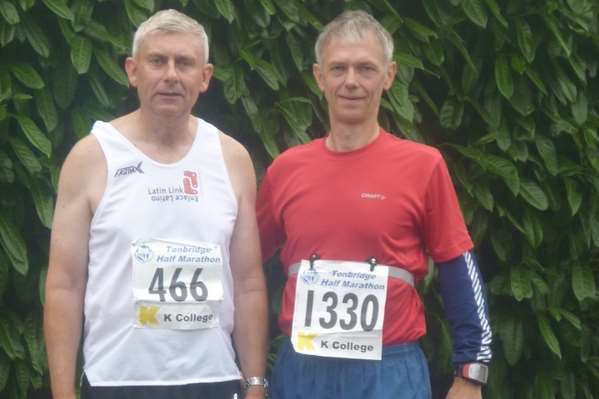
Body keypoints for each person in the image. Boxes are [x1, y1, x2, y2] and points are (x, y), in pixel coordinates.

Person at [257, 10, 492, 399]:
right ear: (319, 77)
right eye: (338, 68)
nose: (351, 81)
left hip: (389, 372)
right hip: (301, 371)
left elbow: (457, 268)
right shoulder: (286, 169)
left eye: (366, 69)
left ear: (389, 75)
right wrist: (249, 371)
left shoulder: (424, 165)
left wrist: (470, 374)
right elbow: (245, 270)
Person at [44, 9, 268, 399]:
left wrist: (254, 383)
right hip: (117, 380)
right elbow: (64, 285)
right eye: (157, 61)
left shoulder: (232, 158)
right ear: (133, 71)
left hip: (212, 379)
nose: (170, 75)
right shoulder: (91, 157)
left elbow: (248, 283)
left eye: (184, 63)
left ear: (205, 77)